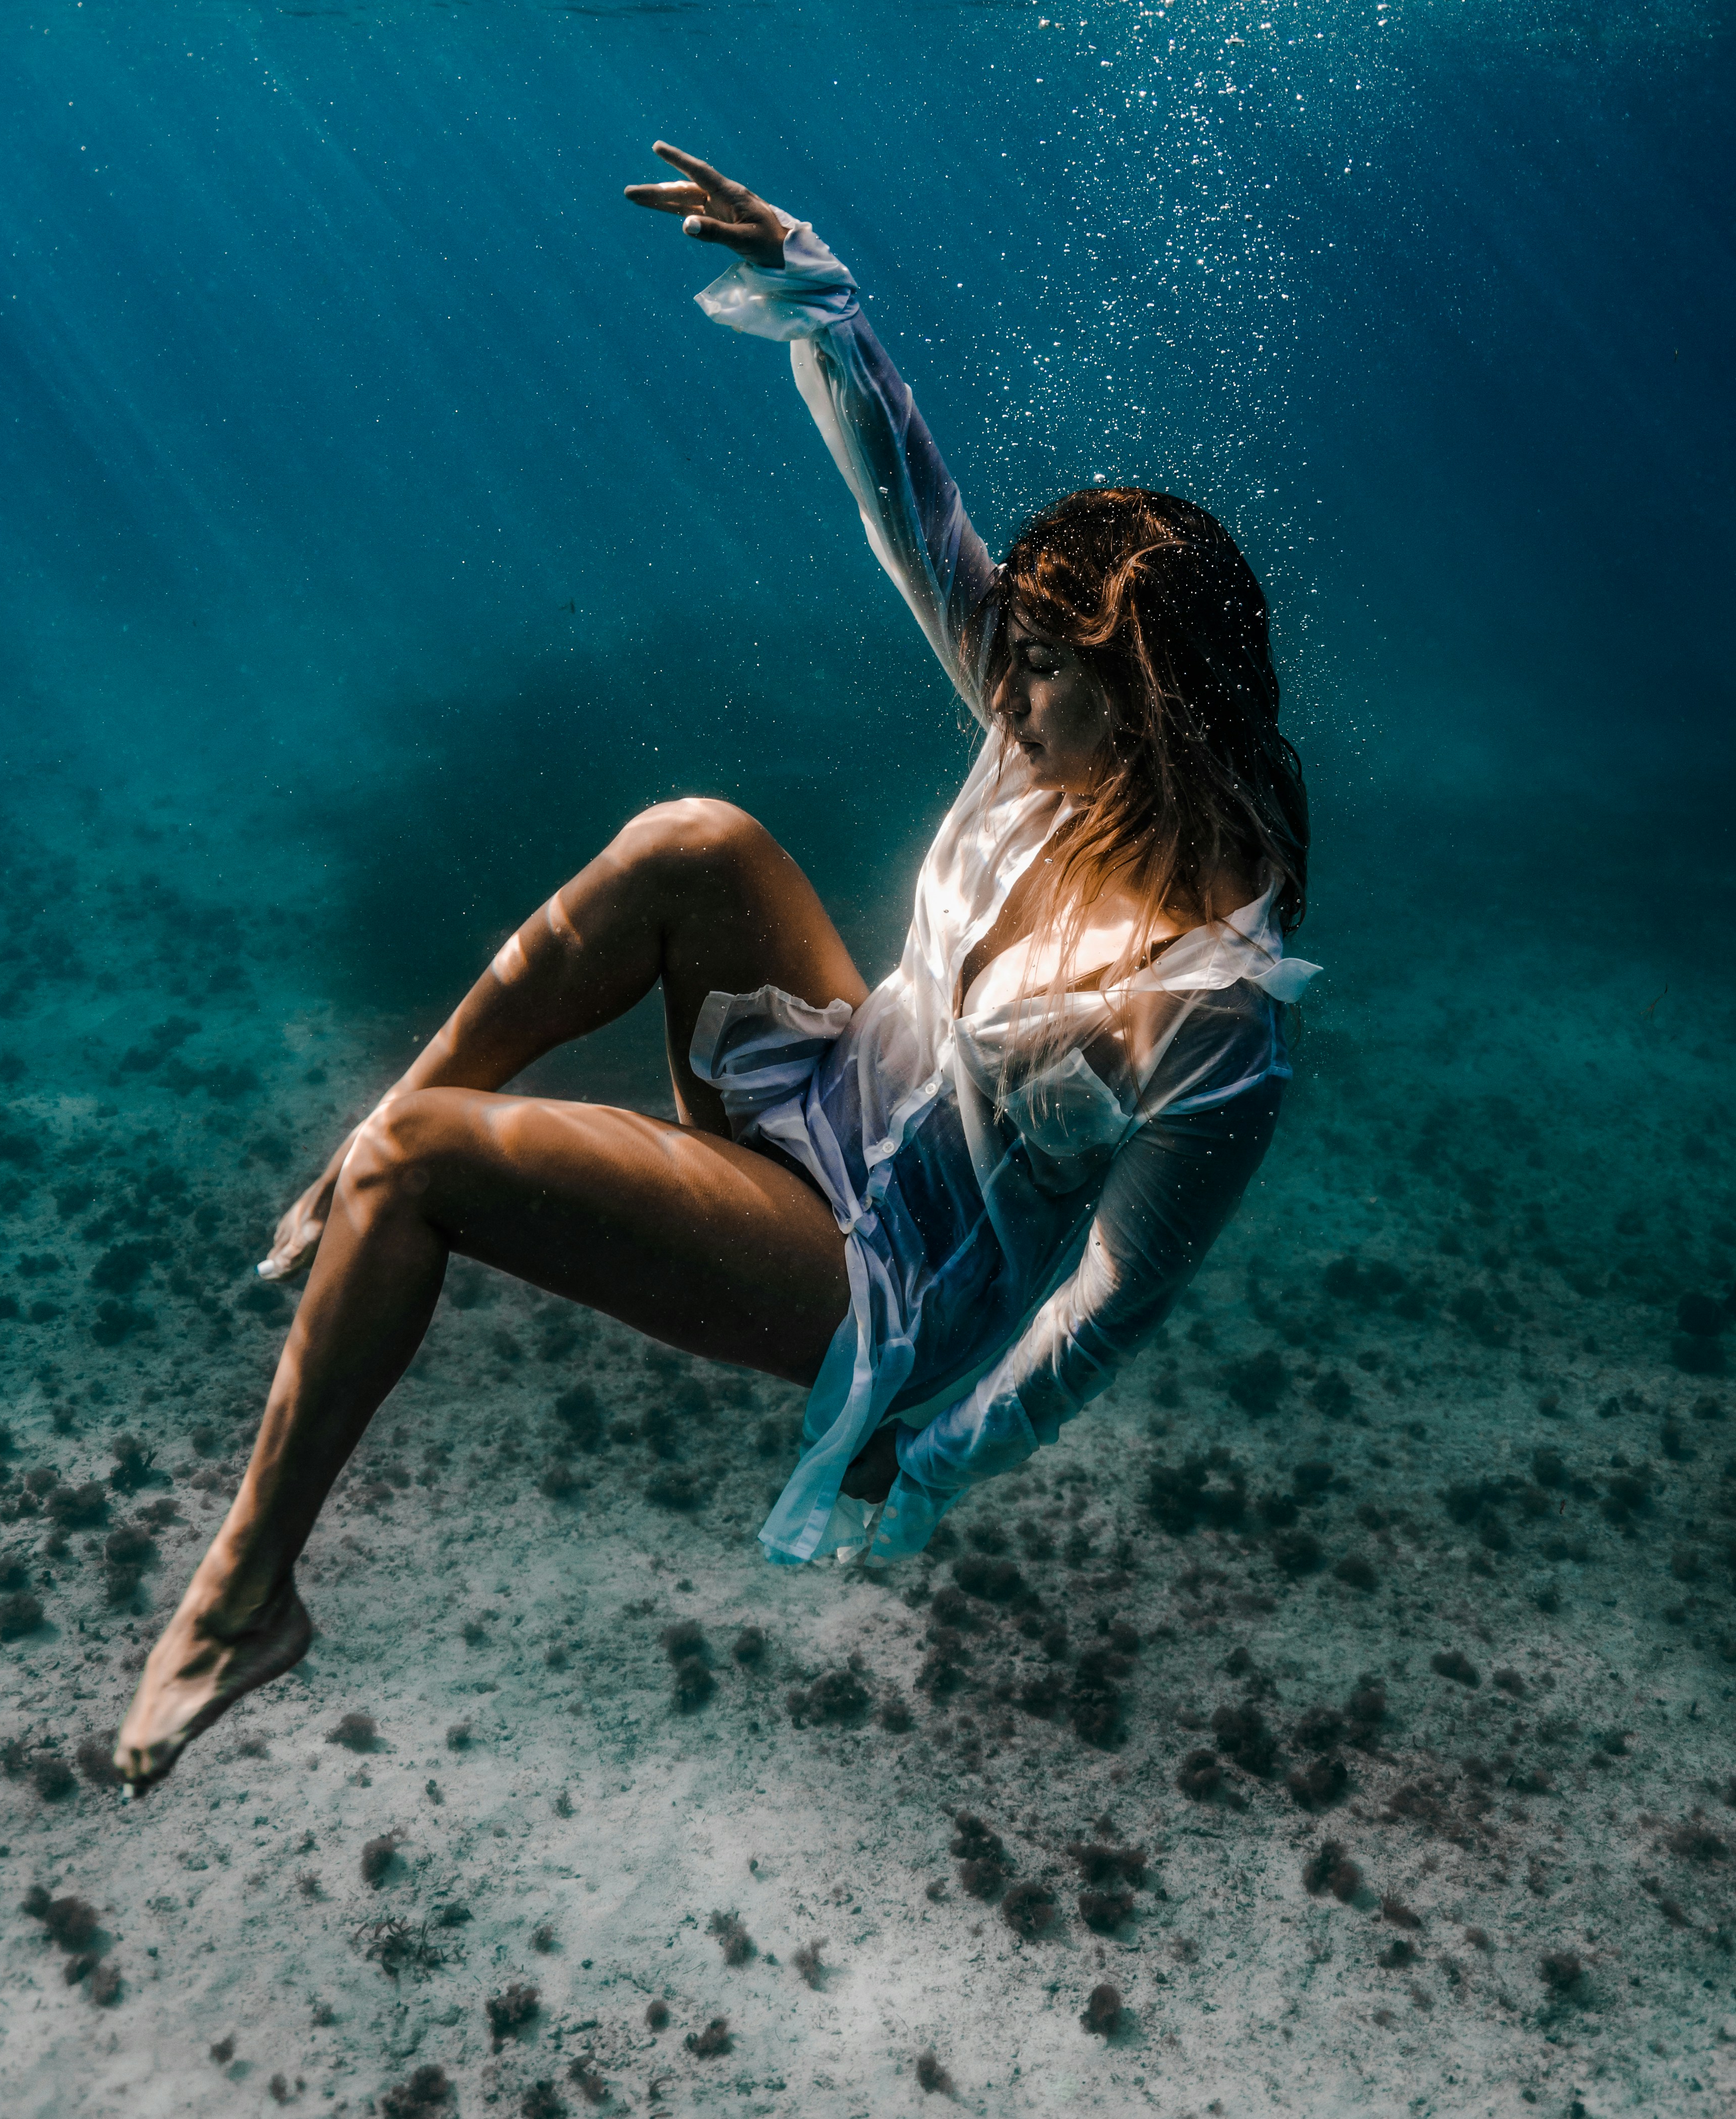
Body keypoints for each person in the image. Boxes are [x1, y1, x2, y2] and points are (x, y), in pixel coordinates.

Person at [112, 145, 1316, 1794]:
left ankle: (247, 1597)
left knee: (427, 1167)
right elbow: (921, 522)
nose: (1005, 693)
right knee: (698, 840)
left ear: (1151, 697)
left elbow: (1111, 1306)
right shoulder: (1054, 748)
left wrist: (929, 1467)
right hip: (832, 1097)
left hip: (875, 1276)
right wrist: (819, 289)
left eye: (1044, 670)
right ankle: (364, 1158)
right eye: (1018, 660)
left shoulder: (1216, 1012)